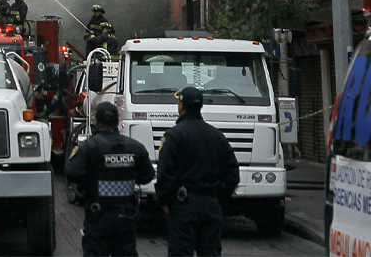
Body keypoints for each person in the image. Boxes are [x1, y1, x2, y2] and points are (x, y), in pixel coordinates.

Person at [155, 87, 240, 257]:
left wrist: (164, 201)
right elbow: (232, 173)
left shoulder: (174, 136)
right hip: (211, 205)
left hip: (183, 205)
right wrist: (218, 197)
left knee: (181, 252)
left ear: (181, 106)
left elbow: (165, 174)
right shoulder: (217, 135)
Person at [65, 102, 155, 256]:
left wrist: (89, 179)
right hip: (126, 217)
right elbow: (148, 176)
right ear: (118, 121)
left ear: (97, 122)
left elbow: (71, 172)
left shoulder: (89, 147)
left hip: (98, 217)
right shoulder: (135, 147)